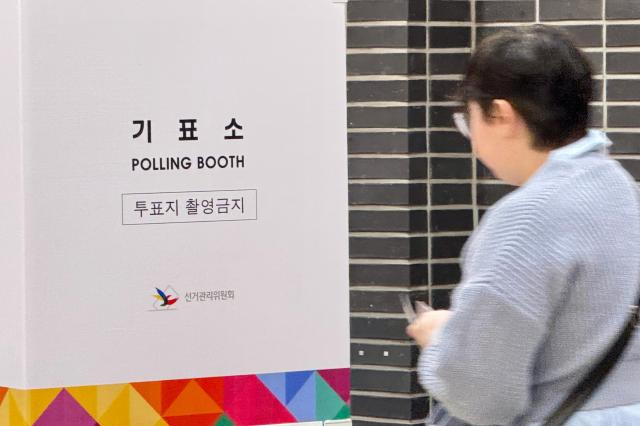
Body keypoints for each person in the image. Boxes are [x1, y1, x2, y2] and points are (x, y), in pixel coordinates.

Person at [406, 25, 640, 425]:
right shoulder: (614, 183)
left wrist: (440, 336)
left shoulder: (526, 219)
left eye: (470, 120)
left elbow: (482, 397)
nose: (473, 140)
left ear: (501, 114)